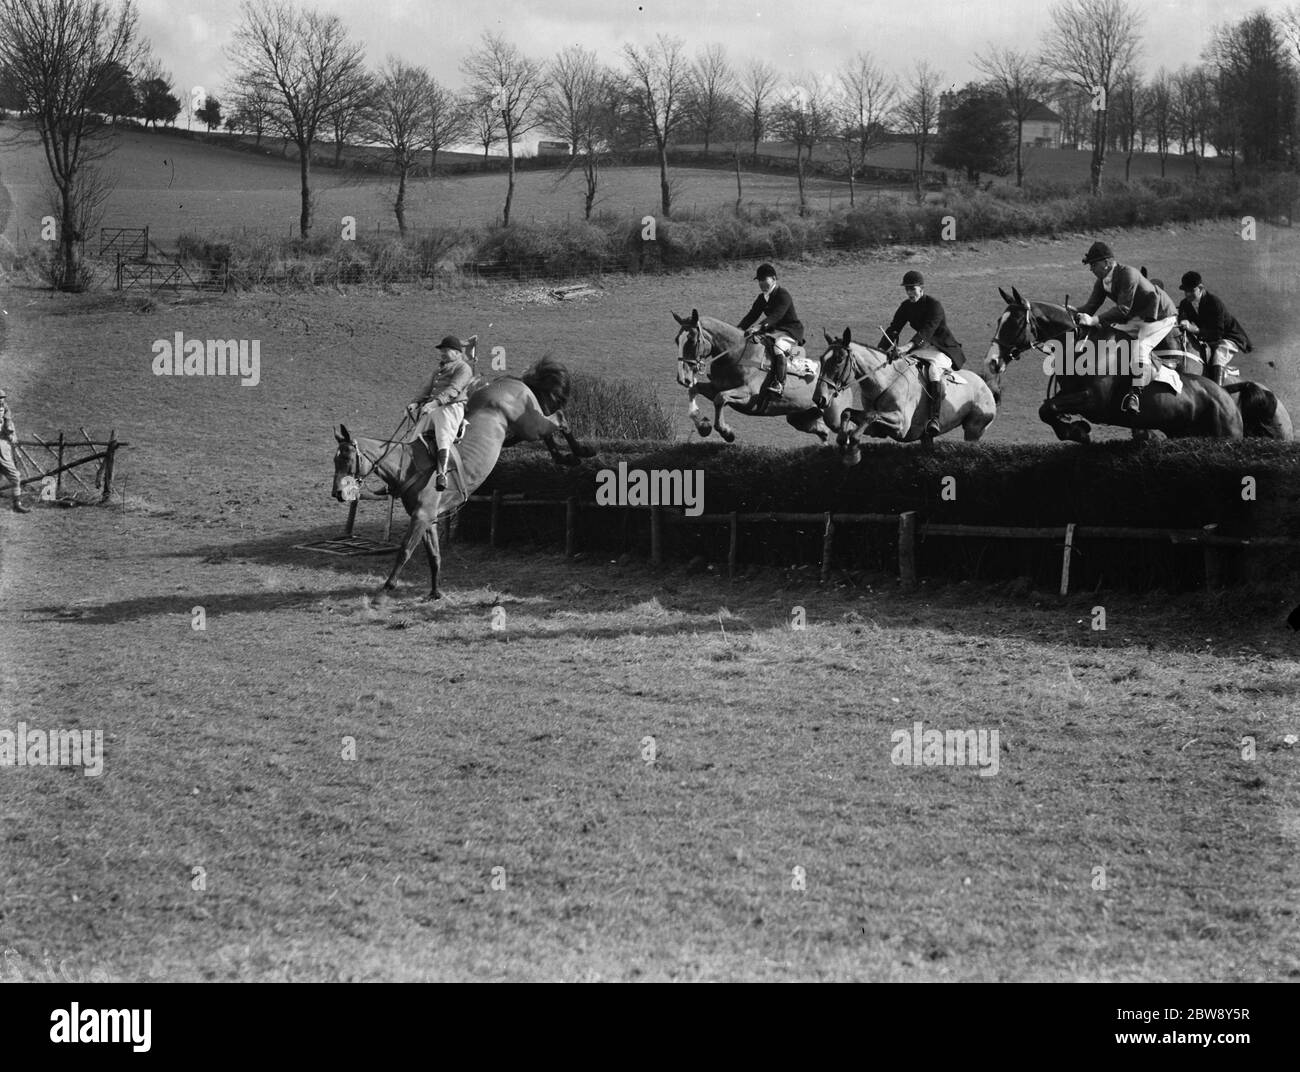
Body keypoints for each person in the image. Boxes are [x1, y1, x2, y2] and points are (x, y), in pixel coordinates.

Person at [1073, 241, 1178, 415]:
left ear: (1107, 263)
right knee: (1111, 336)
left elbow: (1123, 309)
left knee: (1140, 347)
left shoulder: (1128, 274)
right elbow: (1089, 308)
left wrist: (1094, 320)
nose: (1091, 269)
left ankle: (1135, 395)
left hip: (1160, 315)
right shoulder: (1102, 282)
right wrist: (1068, 311)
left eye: (1094, 264)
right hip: (1137, 316)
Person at [877, 270, 966, 437]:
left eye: (913, 289)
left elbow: (927, 331)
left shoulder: (934, 305)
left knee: (933, 371)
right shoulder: (906, 306)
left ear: (921, 288)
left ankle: (934, 419)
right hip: (923, 348)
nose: (910, 292)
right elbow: (894, 328)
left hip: (943, 349)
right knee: (903, 366)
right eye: (907, 289)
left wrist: (907, 347)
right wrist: (880, 350)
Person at [407, 335, 475, 491]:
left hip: (451, 407)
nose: (443, 353)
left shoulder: (463, 368)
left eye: (447, 350)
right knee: (413, 438)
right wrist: (415, 403)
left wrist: (434, 403)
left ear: (458, 353)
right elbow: (427, 389)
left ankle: (442, 474)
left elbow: (454, 389)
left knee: (443, 435)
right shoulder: (438, 369)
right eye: (442, 350)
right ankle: (406, 474)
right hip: (433, 408)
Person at [737, 263, 804, 396]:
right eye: (759, 280)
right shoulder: (762, 298)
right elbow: (751, 316)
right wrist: (738, 330)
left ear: (774, 278)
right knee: (752, 341)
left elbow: (776, 315)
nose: (761, 283)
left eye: (764, 279)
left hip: (790, 331)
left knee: (778, 347)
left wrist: (759, 327)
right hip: (774, 331)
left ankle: (779, 383)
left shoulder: (783, 294)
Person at [1176, 271, 1252, 385]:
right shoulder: (1185, 303)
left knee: (1219, 356)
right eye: (1185, 291)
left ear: (1201, 288)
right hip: (1208, 338)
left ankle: (1218, 392)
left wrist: (1193, 329)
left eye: (1191, 291)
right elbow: (1182, 314)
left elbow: (1217, 333)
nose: (1187, 294)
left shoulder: (1214, 303)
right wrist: (1182, 319)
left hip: (1228, 337)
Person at [0, 387, 30, 513]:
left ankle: (16, 504)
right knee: (15, 476)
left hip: (4, 444)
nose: (1, 401)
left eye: (2, 398)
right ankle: (16, 504)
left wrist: (11, 433)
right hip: (1, 446)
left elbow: (8, 424)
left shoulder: (5, 408)